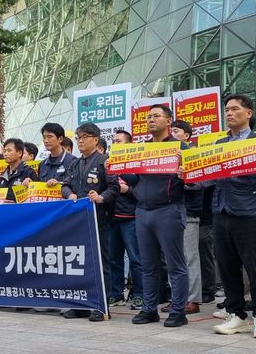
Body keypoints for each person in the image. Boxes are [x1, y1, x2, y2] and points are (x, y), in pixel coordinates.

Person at [208, 94, 256, 339]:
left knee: (255, 267)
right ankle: (235, 314)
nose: (229, 113)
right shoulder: (219, 144)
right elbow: (209, 178)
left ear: (248, 112)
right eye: (226, 109)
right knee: (226, 266)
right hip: (222, 210)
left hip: (250, 211)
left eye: (235, 109)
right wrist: (189, 174)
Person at [131, 104, 189, 328]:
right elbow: (135, 178)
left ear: (168, 121)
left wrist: (184, 166)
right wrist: (116, 167)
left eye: (156, 116)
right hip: (143, 211)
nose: (150, 120)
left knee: (175, 264)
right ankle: (149, 309)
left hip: (169, 209)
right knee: (148, 265)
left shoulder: (180, 147)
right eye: (148, 117)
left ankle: (178, 311)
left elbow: (194, 180)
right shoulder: (142, 148)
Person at [61, 122, 120, 321]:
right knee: (79, 261)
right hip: (77, 220)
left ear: (96, 139)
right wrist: (69, 194)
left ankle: (102, 306)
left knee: (101, 261)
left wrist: (101, 197)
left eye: (85, 137)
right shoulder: (75, 163)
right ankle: (82, 304)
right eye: (78, 137)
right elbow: (65, 185)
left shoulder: (105, 161)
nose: (81, 141)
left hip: (99, 219)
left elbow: (115, 188)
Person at [167, 119, 204, 315]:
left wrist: (185, 173)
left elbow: (199, 184)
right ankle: (177, 297)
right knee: (173, 258)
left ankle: (192, 299)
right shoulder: (165, 154)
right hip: (169, 212)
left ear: (186, 136)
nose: (172, 134)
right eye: (170, 131)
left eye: (176, 131)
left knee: (189, 257)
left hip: (189, 212)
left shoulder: (192, 154)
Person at [108, 130, 143, 309]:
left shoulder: (136, 165)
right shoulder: (108, 164)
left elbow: (143, 192)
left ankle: (139, 294)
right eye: (113, 141)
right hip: (111, 217)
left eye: (119, 141)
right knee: (114, 258)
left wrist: (127, 190)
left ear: (129, 144)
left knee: (136, 259)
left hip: (131, 217)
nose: (115, 144)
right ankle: (116, 293)